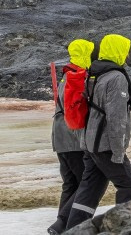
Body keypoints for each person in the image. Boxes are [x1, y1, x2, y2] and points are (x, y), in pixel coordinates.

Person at [64, 33, 131, 230]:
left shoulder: (95, 72)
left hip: (90, 142)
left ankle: (73, 229)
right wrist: (118, 151)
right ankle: (126, 228)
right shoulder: (116, 78)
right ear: (117, 51)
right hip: (105, 144)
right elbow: (116, 117)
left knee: (90, 189)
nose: (128, 55)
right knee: (128, 184)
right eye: (126, 50)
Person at [48, 38, 98, 235]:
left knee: (70, 183)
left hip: (60, 137)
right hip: (72, 138)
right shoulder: (77, 75)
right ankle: (63, 223)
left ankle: (61, 224)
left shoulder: (67, 74)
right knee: (84, 182)